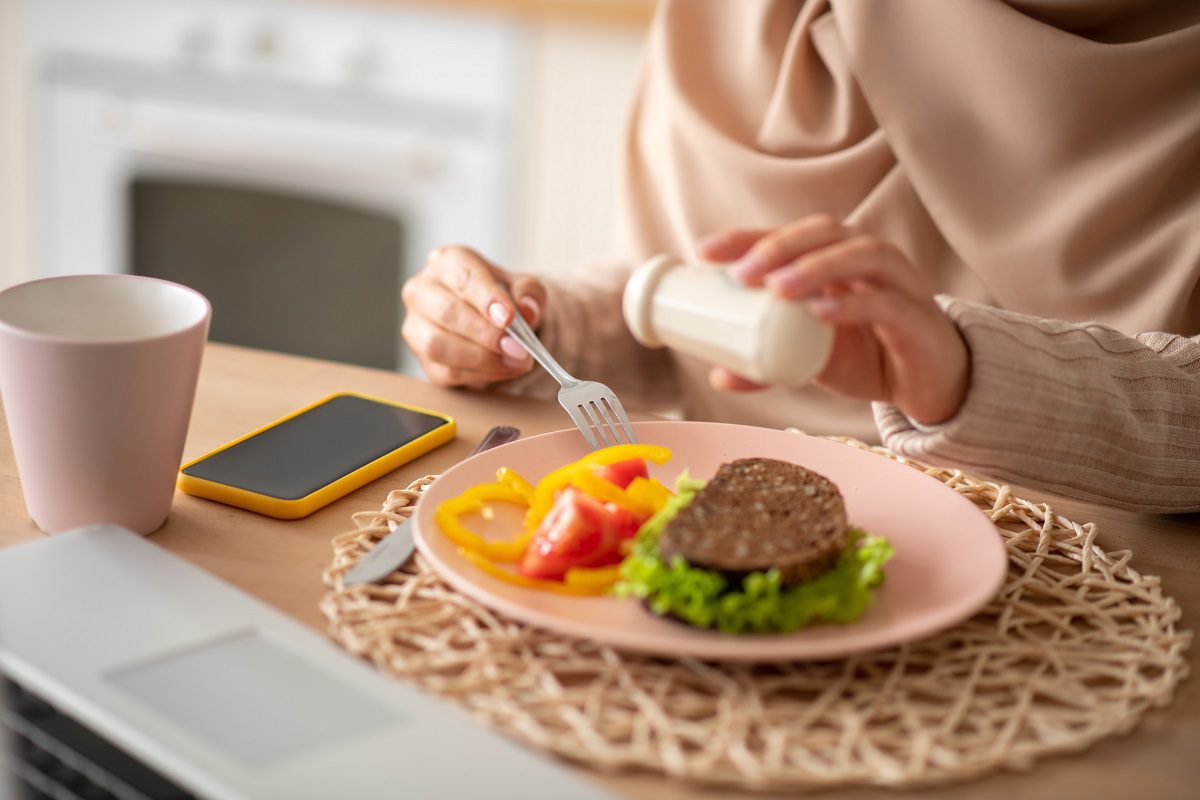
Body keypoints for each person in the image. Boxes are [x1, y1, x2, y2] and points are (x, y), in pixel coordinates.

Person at [400, 0, 1200, 513]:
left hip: (1098, 604)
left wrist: (964, 374)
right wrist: (537, 331)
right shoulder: (733, 17)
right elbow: (701, 291)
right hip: (720, 544)